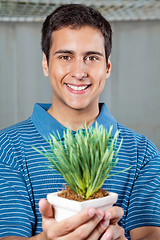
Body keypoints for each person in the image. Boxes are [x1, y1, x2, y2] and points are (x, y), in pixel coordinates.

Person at [0, 3, 160, 240]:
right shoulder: (8, 147)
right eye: (65, 56)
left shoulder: (141, 152)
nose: (79, 71)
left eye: (92, 58)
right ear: (46, 63)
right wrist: (47, 239)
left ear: (107, 67)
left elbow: (150, 234)